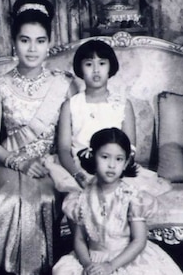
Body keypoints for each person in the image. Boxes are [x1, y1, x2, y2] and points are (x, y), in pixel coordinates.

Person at [0, 0, 75, 275]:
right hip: (6, 162)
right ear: (14, 42)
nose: (32, 49)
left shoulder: (62, 86)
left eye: (40, 41)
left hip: (49, 166)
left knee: (41, 200)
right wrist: (19, 162)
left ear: (49, 44)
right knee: (12, 199)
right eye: (24, 40)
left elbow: (65, 143)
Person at [52, 127, 183, 275]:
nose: (112, 165)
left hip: (126, 258)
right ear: (93, 157)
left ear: (126, 163)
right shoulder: (82, 198)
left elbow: (139, 241)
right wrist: (88, 264)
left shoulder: (132, 197)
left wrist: (110, 266)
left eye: (119, 159)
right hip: (93, 257)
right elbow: (80, 240)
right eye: (105, 157)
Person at [55, 39, 171, 196]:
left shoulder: (123, 104)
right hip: (81, 168)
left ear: (110, 67)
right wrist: (77, 175)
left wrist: (114, 170)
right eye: (89, 64)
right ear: (80, 69)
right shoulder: (70, 105)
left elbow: (130, 148)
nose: (96, 70)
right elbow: (63, 149)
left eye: (102, 64)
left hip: (114, 166)